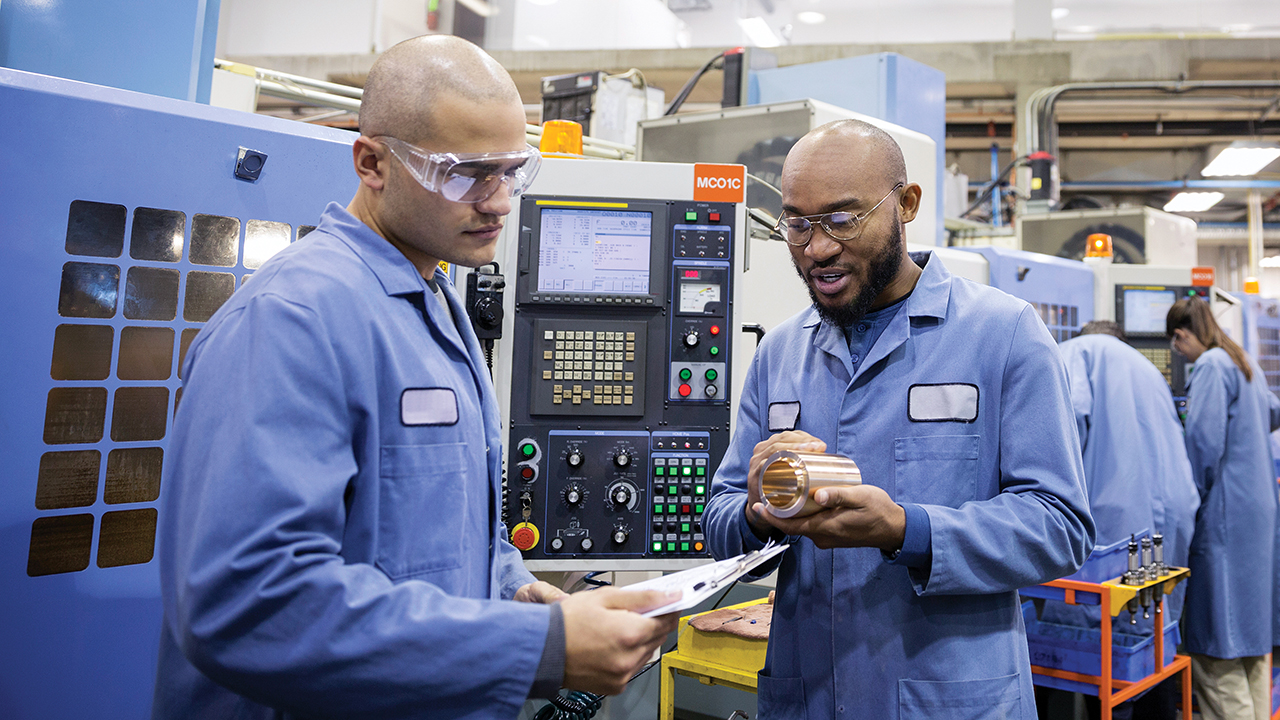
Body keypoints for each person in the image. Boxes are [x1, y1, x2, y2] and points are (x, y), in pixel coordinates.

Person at [153, 36, 677, 719]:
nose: (498, 202)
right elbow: (248, 602)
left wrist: (516, 592)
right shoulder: (293, 320)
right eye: (465, 173)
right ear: (372, 162)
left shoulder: (436, 306)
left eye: (514, 172)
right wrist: (537, 648)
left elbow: (447, 538)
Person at [703, 119, 1095, 720]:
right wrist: (757, 510)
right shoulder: (780, 353)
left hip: (949, 698)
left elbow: (1059, 526)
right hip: (808, 696)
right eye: (797, 223)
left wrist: (907, 530)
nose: (817, 249)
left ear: (906, 205)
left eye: (842, 219)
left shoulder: (1003, 334)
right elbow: (720, 517)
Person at [1036, 320, 1200, 720]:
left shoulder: (1077, 355)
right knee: (1149, 649)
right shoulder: (1145, 367)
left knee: (1102, 656)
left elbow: (1062, 429)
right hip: (1168, 523)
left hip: (1116, 529)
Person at [1166, 297, 1279, 720]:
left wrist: (1185, 506)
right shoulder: (1243, 360)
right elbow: (1272, 413)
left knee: (1217, 650)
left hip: (1224, 519)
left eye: (1177, 345)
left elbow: (1203, 448)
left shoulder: (1212, 366)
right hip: (1258, 514)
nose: (1180, 353)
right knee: (1251, 647)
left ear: (1181, 336)